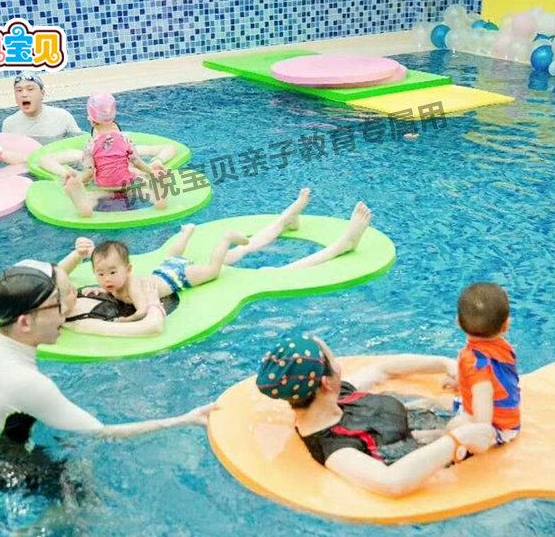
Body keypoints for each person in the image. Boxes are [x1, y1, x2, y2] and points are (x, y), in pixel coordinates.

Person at [0, 260, 213, 496]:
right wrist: (185, 419)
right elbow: (103, 433)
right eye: (56, 307)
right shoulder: (30, 384)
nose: (63, 314)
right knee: (84, 479)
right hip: (10, 473)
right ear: (24, 323)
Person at [57, 189, 373, 335]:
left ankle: (341, 245)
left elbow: (142, 312)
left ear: (127, 270)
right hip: (168, 269)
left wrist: (127, 319)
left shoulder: (130, 288)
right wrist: (101, 289)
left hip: (176, 277)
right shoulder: (106, 288)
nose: (105, 279)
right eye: (100, 274)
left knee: (246, 271)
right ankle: (286, 219)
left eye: (111, 272)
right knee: (245, 256)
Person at [255, 333, 496, 498]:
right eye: (333, 360)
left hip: (421, 427)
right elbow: (392, 482)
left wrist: (446, 365)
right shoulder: (335, 447)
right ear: (326, 382)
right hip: (438, 457)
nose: (339, 365)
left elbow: (384, 370)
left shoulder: (334, 397)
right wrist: (455, 441)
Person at [416, 282, 521, 447]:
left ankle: (439, 436)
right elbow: (496, 380)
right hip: (493, 412)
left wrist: (476, 431)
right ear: (506, 325)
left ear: (458, 322)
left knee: (455, 424)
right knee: (437, 401)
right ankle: (411, 409)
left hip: (497, 428)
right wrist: (461, 382)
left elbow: (483, 403)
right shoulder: (502, 347)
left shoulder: (478, 365)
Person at [60, 90, 170, 217]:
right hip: (126, 184)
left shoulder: (91, 144)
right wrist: (150, 172)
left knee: (93, 196)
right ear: (113, 117)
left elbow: (89, 172)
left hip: (105, 186)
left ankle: (84, 204)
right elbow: (137, 161)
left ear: (92, 121)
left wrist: (80, 181)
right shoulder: (125, 139)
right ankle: (157, 197)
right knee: (141, 191)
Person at [38, 88, 176, 183]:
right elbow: (45, 160)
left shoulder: (128, 147)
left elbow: (170, 148)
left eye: (113, 131)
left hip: (112, 186)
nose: (108, 136)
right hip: (115, 186)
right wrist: (67, 174)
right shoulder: (84, 153)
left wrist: (157, 161)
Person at [2, 73, 84, 145]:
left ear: (42, 94)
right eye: (19, 90)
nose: (24, 94)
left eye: (30, 89)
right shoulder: (9, 125)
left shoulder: (62, 117)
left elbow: (81, 144)